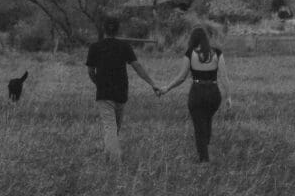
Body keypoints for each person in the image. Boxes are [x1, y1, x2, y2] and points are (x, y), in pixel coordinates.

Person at [85, 15, 161, 162]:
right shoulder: (125, 47)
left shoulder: (94, 48)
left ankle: (112, 159)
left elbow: (90, 71)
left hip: (104, 94)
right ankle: (112, 158)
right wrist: (152, 83)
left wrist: (98, 83)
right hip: (121, 92)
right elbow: (137, 66)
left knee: (111, 127)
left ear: (104, 29)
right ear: (118, 29)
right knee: (113, 127)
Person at [160, 25, 232, 162]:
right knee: (207, 120)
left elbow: (181, 77)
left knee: (199, 128)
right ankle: (206, 149)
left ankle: (204, 161)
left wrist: (167, 88)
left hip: (197, 93)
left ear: (193, 39)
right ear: (206, 39)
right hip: (213, 93)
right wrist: (228, 96)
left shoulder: (190, 53)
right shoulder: (217, 53)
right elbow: (224, 77)